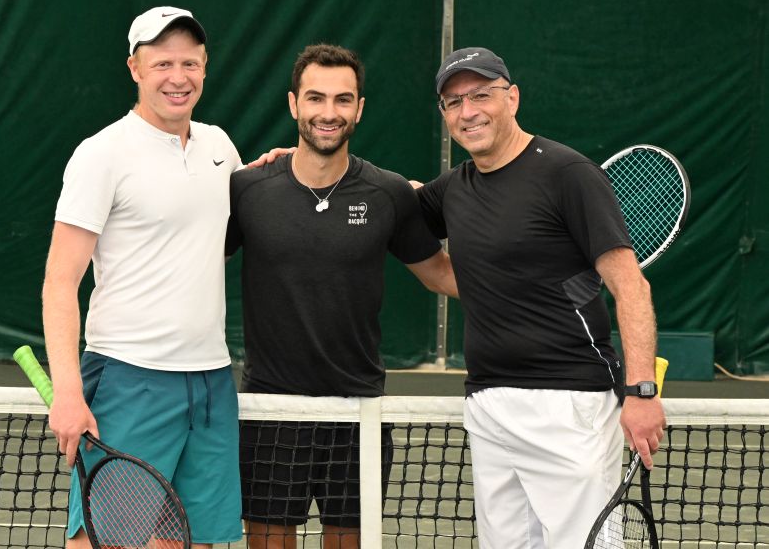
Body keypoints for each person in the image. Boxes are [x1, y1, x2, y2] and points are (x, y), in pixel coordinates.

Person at [415, 47, 666, 549]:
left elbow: (631, 285)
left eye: (481, 95)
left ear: (512, 98)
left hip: (569, 407)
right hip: (487, 404)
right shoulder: (453, 190)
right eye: (453, 102)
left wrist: (641, 391)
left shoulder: (568, 173)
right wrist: (298, 163)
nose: (468, 111)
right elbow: (390, 198)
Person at [225, 44, 459, 549]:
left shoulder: (389, 193)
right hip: (271, 413)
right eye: (315, 98)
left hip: (358, 413)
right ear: (294, 103)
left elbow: (443, 276)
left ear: (359, 108)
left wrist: (532, 280)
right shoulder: (246, 189)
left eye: (342, 99)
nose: (328, 112)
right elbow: (193, 263)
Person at [41, 6, 242, 549]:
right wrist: (68, 392)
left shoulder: (220, 148)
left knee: (187, 541)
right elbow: (60, 281)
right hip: (130, 378)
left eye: (190, 63)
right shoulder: (101, 154)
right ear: (134, 68)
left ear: (205, 67)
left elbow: (216, 234)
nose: (178, 78)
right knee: (104, 542)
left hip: (212, 380)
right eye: (162, 64)